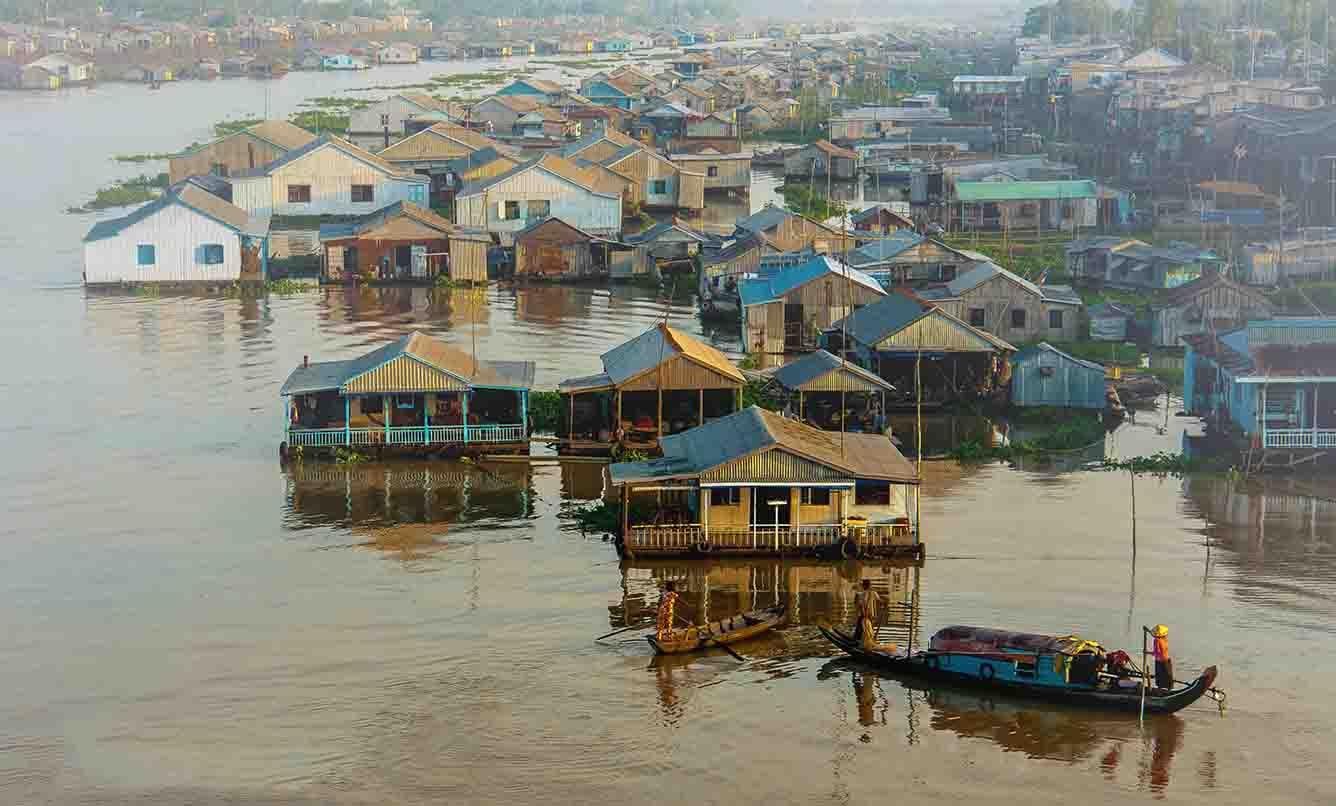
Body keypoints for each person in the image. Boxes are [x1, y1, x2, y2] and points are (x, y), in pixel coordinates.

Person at [852, 579, 881, 650]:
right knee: (869, 631)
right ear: (870, 585)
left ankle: (858, 644)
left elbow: (861, 606)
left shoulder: (861, 594)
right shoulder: (873, 593)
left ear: (864, 586)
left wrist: (864, 615)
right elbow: (879, 601)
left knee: (860, 631)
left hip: (864, 615)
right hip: (871, 616)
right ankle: (868, 643)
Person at [1152, 624, 1174, 690]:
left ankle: (1160, 691)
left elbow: (1157, 652)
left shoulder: (1156, 640)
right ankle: (1169, 690)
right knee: (1168, 678)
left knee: (1160, 680)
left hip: (1160, 662)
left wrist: (1147, 652)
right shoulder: (1165, 640)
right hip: (1167, 661)